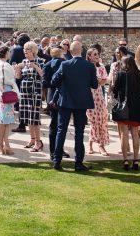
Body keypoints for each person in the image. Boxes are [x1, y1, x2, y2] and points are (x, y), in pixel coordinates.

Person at [51, 41, 98, 172]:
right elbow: (94, 84)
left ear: (70, 52)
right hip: (81, 102)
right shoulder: (89, 66)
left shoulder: (65, 64)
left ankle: (57, 160)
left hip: (66, 101)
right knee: (79, 132)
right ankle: (78, 163)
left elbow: (54, 81)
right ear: (81, 51)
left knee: (61, 130)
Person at [111, 56, 140, 170]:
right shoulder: (139, 74)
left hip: (124, 107)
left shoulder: (121, 74)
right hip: (136, 107)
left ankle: (125, 160)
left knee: (124, 134)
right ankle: (136, 160)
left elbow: (115, 90)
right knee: (135, 134)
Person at [16, 41, 45, 152]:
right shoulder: (24, 61)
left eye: (27, 50)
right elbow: (18, 77)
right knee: (28, 117)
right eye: (24, 50)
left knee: (34, 118)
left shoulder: (40, 61)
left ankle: (38, 142)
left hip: (35, 91)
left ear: (33, 51)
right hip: (24, 91)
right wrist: (17, 69)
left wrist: (35, 66)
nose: (25, 52)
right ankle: (32, 139)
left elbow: (43, 75)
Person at [42, 45, 67, 160]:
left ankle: (56, 150)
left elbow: (44, 83)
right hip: (58, 97)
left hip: (54, 96)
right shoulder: (63, 64)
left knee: (56, 125)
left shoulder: (48, 65)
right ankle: (56, 150)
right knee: (59, 125)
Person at [0, 45, 19, 155]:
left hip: (1, 92)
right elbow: (12, 80)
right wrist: (16, 71)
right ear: (6, 53)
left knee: (5, 120)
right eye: (9, 52)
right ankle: (2, 145)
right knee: (4, 121)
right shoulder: (6, 65)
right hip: (7, 92)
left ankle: (5, 144)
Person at [86, 47, 110, 156]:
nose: (97, 56)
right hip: (89, 95)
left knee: (102, 119)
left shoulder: (101, 67)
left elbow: (105, 80)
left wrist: (101, 81)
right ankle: (90, 144)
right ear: (89, 56)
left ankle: (101, 145)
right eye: (94, 54)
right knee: (93, 120)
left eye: (97, 54)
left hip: (99, 96)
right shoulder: (86, 67)